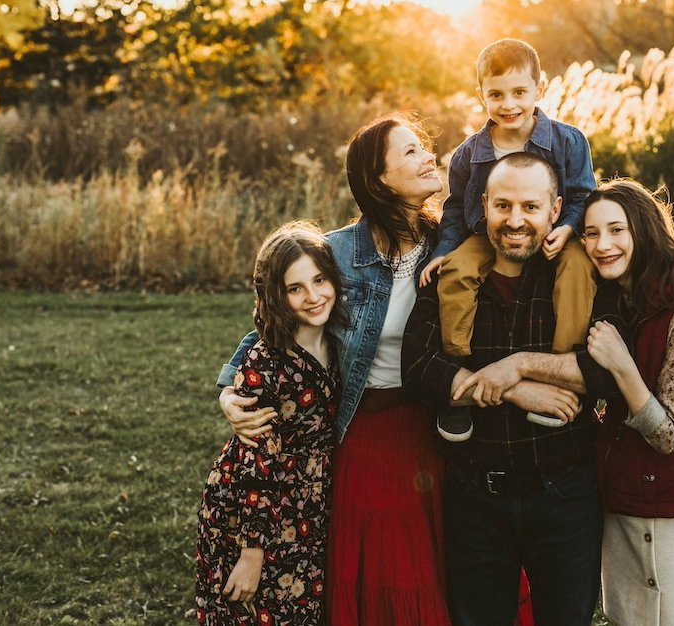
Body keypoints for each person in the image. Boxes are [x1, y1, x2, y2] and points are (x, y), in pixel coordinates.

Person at [214, 114, 454, 625]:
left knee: (439, 568)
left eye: (423, 147)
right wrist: (229, 391)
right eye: (409, 152)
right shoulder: (340, 253)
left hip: (441, 428)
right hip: (366, 429)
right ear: (378, 179)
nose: (428, 157)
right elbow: (273, 328)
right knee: (384, 571)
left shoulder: (451, 244)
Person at [403, 152, 625, 626]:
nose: (516, 220)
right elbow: (418, 367)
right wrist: (515, 388)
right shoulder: (450, 279)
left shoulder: (581, 278)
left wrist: (518, 366)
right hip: (475, 499)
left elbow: (608, 372)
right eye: (503, 206)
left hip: (564, 495)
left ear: (555, 209)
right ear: (483, 206)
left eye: (530, 206)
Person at [416, 38, 597, 442]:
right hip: (487, 235)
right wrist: (444, 251)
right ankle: (458, 377)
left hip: (552, 233)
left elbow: (585, 195)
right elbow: (455, 209)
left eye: (519, 92)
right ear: (481, 94)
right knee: (457, 273)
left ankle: (561, 368)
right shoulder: (469, 154)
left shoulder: (568, 142)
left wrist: (566, 227)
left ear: (540, 90)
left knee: (578, 270)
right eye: (496, 94)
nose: (509, 104)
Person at [581, 178, 674, 626]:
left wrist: (622, 366)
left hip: (673, 506)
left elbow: (667, 434)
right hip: (619, 498)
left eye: (616, 230)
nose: (602, 244)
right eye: (590, 233)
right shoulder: (611, 303)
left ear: (643, 231)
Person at [195, 221, 346, 625]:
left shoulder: (337, 340)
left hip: (307, 508)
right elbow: (254, 464)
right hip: (253, 516)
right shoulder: (266, 363)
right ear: (276, 296)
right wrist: (251, 553)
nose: (313, 296)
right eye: (295, 289)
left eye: (319, 280)